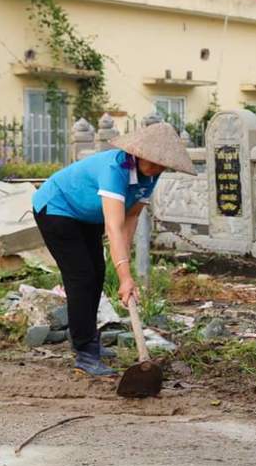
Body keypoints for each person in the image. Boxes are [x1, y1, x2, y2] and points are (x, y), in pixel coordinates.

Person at [32, 122, 195, 376]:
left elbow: (130, 219)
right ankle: (86, 353)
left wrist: (123, 267)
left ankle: (85, 340)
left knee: (97, 274)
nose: (157, 168)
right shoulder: (115, 168)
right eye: (153, 162)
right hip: (57, 208)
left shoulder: (151, 174)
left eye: (163, 164)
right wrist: (126, 277)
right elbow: (113, 224)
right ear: (138, 153)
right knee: (82, 277)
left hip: (87, 217)